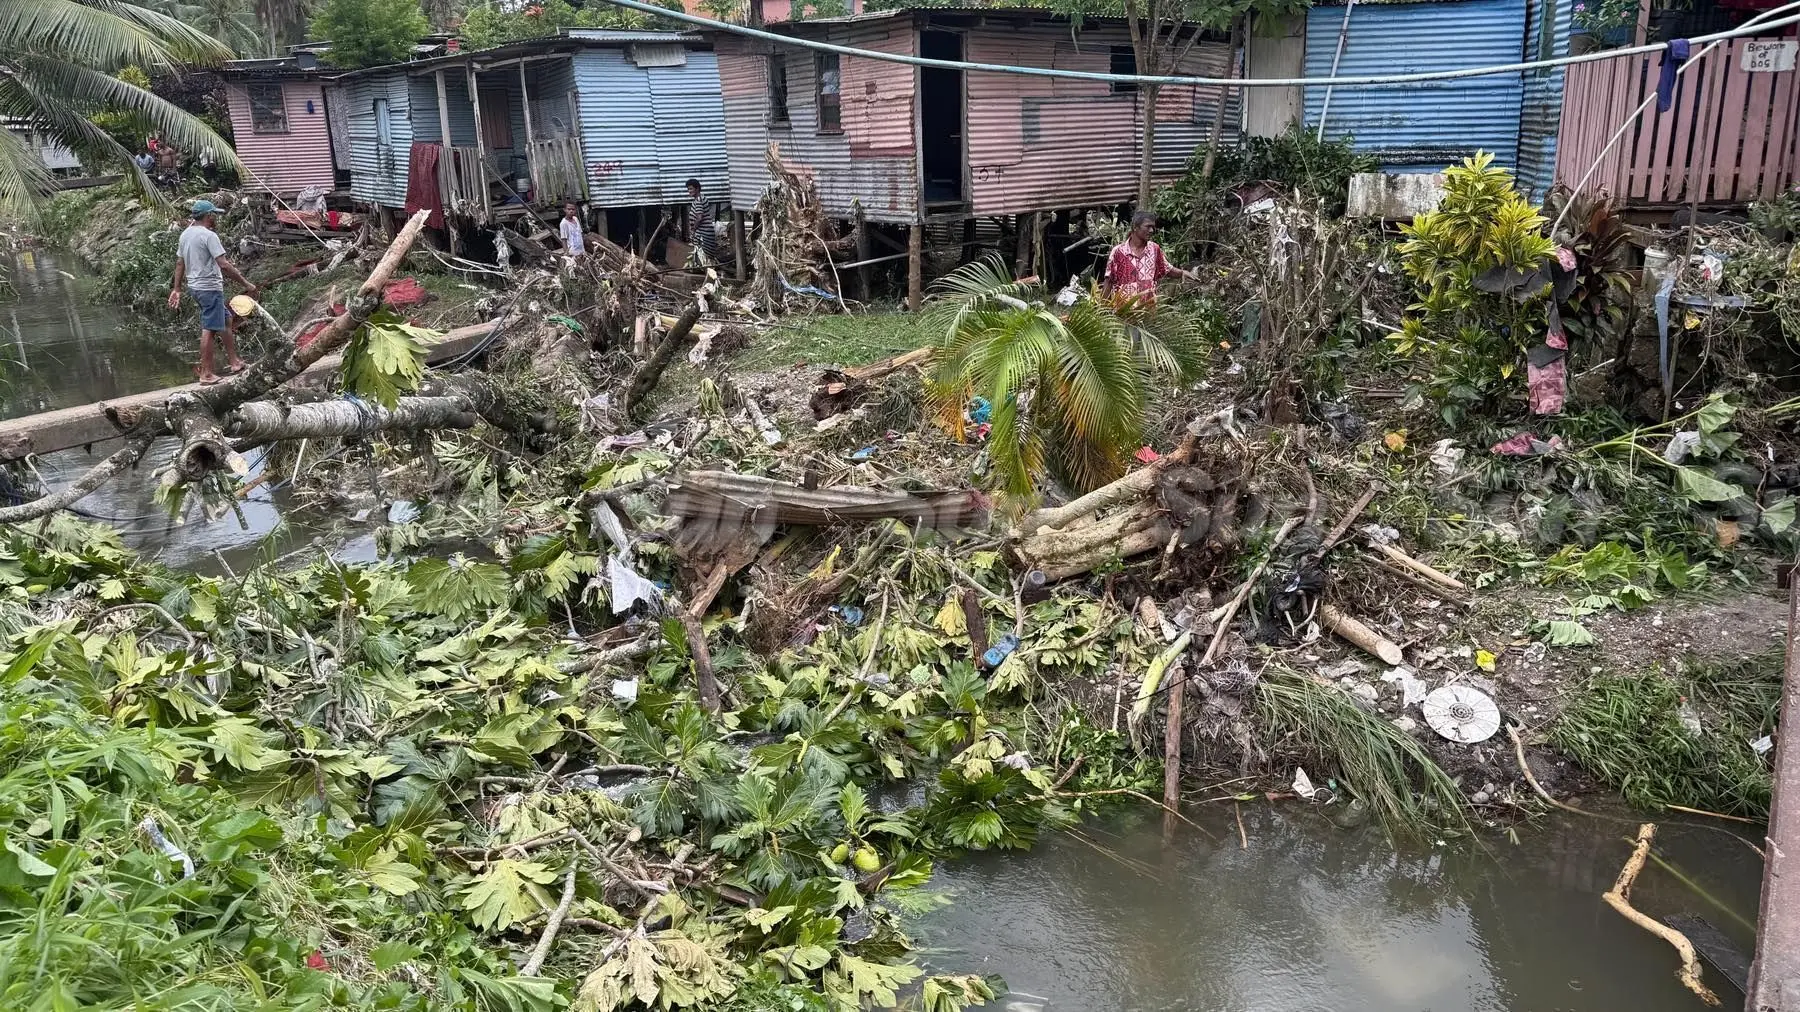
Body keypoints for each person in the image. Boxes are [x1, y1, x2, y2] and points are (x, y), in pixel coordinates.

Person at [168, 199, 257, 385]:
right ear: (208, 216)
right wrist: (246, 283)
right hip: (209, 288)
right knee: (209, 329)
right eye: (214, 214)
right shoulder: (209, 236)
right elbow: (223, 264)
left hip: (196, 287)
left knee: (225, 319)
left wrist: (177, 288)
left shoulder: (185, 235)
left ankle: (235, 362)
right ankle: (206, 374)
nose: (215, 218)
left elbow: (179, 263)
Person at [1101, 211, 1194, 305]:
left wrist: (1182, 273)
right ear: (1135, 227)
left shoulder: (1154, 249)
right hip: (1123, 311)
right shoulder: (1118, 252)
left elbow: (1166, 269)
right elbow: (1109, 281)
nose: (1151, 230)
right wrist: (1103, 310)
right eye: (1148, 226)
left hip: (1148, 312)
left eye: (1153, 227)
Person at [683, 178, 720, 265]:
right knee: (705, 258)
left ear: (697, 188)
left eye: (691, 188)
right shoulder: (700, 199)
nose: (689, 191)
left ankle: (708, 273)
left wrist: (693, 229)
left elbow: (699, 217)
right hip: (705, 232)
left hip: (703, 234)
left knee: (704, 257)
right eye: (688, 189)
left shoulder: (699, 200)